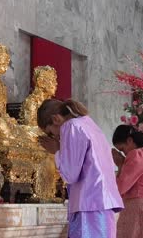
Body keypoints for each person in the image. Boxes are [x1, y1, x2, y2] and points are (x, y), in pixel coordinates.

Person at [37, 99, 124, 238]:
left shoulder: (71, 126)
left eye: (51, 133)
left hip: (88, 205)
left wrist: (57, 152)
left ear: (55, 119)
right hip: (102, 204)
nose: (55, 137)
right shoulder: (88, 123)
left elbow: (70, 174)